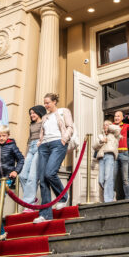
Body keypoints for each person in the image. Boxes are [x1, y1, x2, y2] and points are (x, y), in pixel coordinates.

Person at [33, 93, 74, 224]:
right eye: (44, 103)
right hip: (44, 146)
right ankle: (45, 214)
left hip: (58, 144)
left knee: (50, 173)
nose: (45, 105)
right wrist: (40, 143)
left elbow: (70, 127)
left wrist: (64, 139)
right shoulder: (45, 117)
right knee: (43, 180)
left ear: (54, 102)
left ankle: (62, 197)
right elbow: (42, 133)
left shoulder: (63, 111)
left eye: (48, 103)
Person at [18, 105, 46, 207]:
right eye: (30, 113)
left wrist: (42, 143)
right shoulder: (32, 125)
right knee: (22, 175)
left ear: (39, 112)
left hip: (39, 146)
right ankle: (32, 198)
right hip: (31, 149)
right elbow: (29, 140)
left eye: (33, 113)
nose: (31, 115)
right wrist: (26, 154)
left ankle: (28, 203)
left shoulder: (44, 122)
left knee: (32, 176)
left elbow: (46, 135)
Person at [92, 119, 120, 202]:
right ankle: (112, 193)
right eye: (104, 125)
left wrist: (109, 126)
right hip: (101, 157)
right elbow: (94, 146)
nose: (105, 126)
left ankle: (108, 200)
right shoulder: (100, 135)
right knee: (101, 180)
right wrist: (101, 141)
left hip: (110, 156)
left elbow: (118, 129)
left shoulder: (114, 135)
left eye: (107, 124)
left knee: (108, 177)